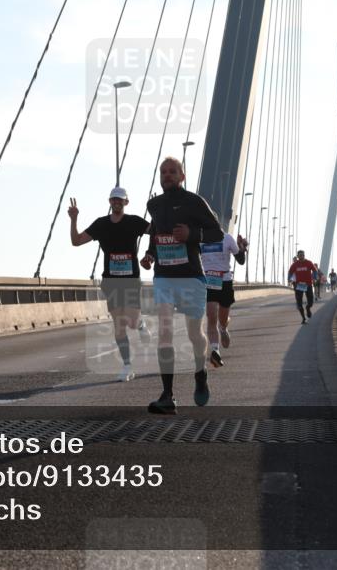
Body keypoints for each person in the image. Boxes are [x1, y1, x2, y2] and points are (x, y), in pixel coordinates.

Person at [140, 157, 224, 414]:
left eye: (172, 172)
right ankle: (168, 395)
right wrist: (150, 254)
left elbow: (217, 233)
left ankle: (200, 374)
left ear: (182, 176)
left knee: (194, 335)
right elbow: (157, 231)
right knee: (164, 331)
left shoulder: (194, 202)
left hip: (191, 276)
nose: (167, 175)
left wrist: (192, 235)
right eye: (163, 172)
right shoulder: (153, 204)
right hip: (164, 276)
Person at [68, 187, 151, 382]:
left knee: (130, 320)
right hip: (111, 281)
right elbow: (76, 241)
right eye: (114, 199)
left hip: (130, 279)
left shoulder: (134, 222)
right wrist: (73, 220)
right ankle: (127, 366)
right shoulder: (101, 224)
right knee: (119, 325)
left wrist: (150, 253)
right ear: (109, 201)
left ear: (126, 203)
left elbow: (156, 233)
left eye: (120, 200)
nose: (116, 202)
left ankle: (140, 324)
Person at [200, 233, 249, 365]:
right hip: (210, 281)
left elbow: (241, 261)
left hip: (225, 281)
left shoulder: (227, 238)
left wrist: (241, 247)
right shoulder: (200, 237)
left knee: (222, 319)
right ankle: (215, 350)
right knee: (211, 316)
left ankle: (223, 328)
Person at [287, 250, 319, 324]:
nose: (301, 256)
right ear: (298, 256)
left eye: (303, 255)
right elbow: (290, 272)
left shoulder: (308, 263)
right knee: (299, 303)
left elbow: (314, 270)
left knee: (311, 301)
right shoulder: (295, 264)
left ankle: (308, 308)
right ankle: (303, 318)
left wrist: (315, 276)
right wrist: (289, 279)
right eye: (300, 255)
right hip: (299, 285)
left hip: (308, 284)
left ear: (304, 255)